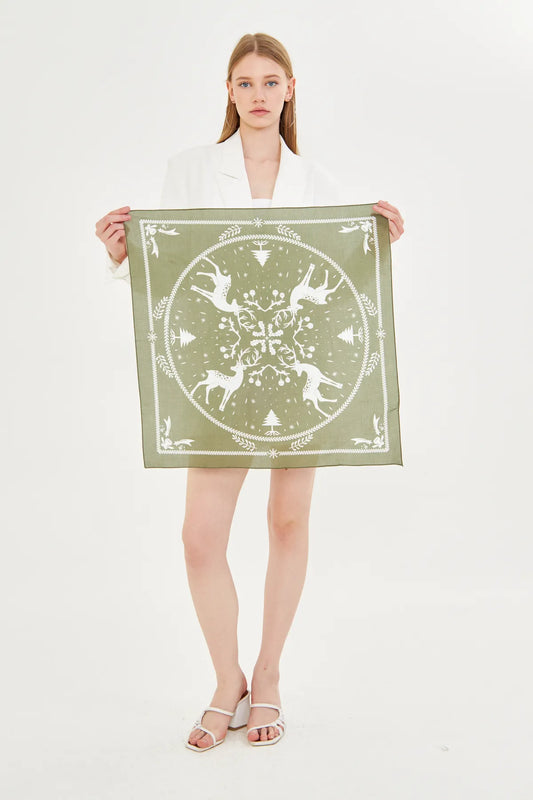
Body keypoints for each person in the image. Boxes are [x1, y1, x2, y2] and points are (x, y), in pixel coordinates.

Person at [95, 32, 405, 751]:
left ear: (290, 89)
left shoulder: (319, 182)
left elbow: (333, 287)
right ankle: (224, 679)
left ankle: (267, 675)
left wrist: (376, 246)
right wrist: (122, 257)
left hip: (299, 367)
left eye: (270, 81)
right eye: (245, 82)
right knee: (200, 537)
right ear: (228, 93)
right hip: (221, 368)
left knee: (288, 522)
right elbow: (174, 272)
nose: (258, 94)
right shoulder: (189, 170)